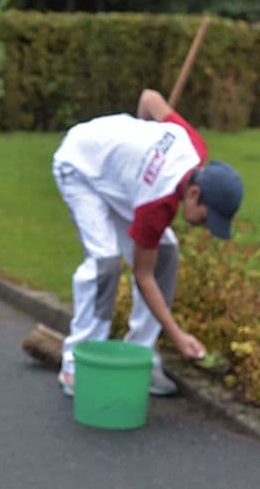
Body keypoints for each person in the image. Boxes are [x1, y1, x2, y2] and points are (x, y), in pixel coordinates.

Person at [52, 88, 243, 397]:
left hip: (119, 175)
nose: (206, 227)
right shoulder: (158, 204)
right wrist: (177, 335)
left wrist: (144, 142)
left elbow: (149, 99)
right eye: (207, 218)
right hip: (78, 166)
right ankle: (77, 360)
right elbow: (143, 276)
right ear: (194, 193)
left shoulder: (194, 146)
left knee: (166, 252)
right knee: (105, 264)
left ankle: (140, 354)